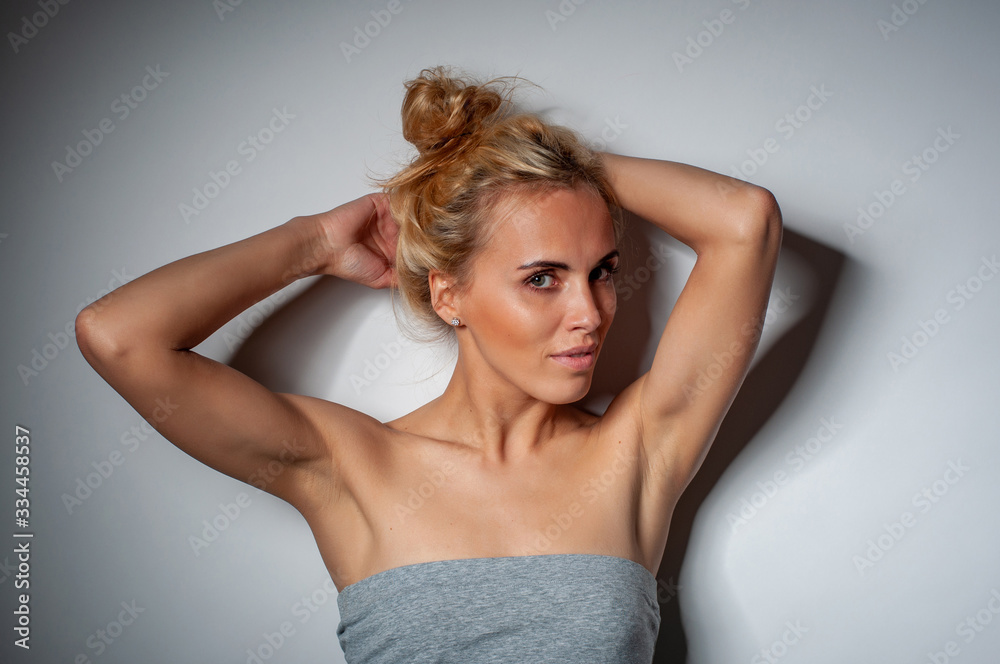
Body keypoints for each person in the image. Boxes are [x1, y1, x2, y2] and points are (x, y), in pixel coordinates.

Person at [76, 65, 782, 663]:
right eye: (542, 277)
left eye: (601, 272)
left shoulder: (638, 450)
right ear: (449, 294)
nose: (591, 313)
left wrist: (551, 161)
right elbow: (118, 335)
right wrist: (313, 242)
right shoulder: (351, 466)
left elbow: (744, 221)